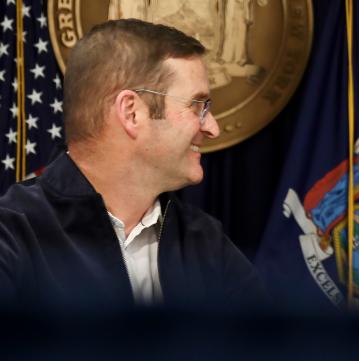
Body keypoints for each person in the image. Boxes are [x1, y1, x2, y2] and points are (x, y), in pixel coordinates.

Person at [0, 19, 266, 308]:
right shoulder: (13, 234)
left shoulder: (206, 243)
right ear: (132, 112)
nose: (212, 128)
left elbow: (269, 350)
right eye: (197, 106)